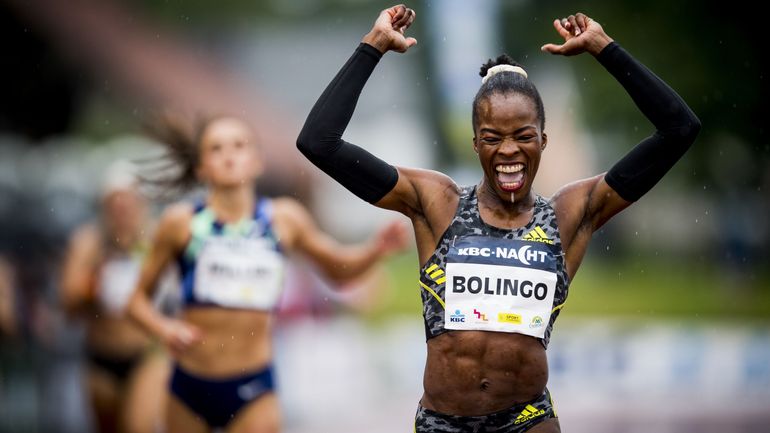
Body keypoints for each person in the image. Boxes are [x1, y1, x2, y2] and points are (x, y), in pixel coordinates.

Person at [297, 5, 700, 432]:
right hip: (442, 421)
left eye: (523, 137)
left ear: (543, 140)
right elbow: (318, 143)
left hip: (526, 418)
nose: (508, 151)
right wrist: (373, 46)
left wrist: (605, 48)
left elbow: (679, 129)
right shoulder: (437, 204)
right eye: (493, 138)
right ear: (475, 144)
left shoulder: (570, 213)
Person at [127, 114, 409, 433]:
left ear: (257, 162)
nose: (229, 155)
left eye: (239, 145)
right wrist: (164, 330)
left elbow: (337, 270)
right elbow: (135, 301)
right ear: (201, 168)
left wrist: (375, 250)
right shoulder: (181, 223)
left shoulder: (284, 219)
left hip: (253, 386)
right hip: (190, 384)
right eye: (216, 149)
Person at [60, 161, 173, 433]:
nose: (122, 209)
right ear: (104, 206)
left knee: (137, 427)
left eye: (128, 201)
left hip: (148, 353)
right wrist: (92, 284)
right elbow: (68, 307)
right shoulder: (89, 242)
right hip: (102, 355)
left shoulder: (157, 237)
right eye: (115, 202)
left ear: (140, 203)